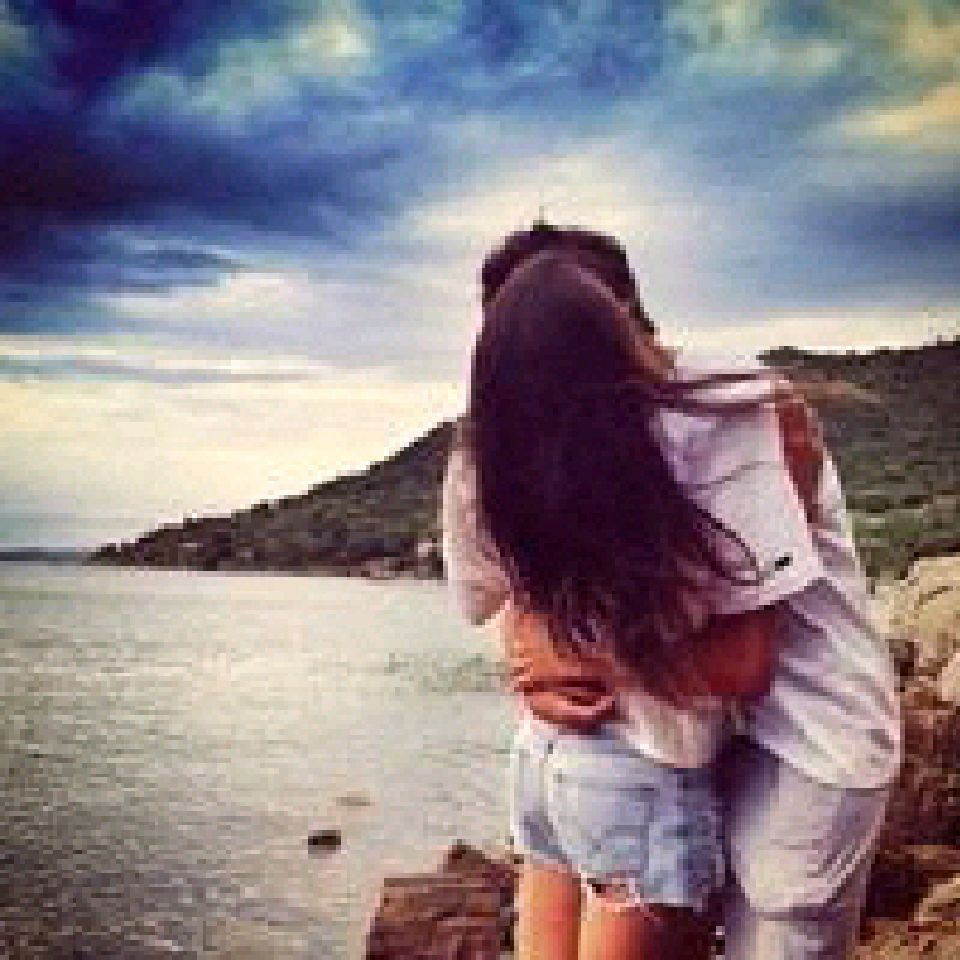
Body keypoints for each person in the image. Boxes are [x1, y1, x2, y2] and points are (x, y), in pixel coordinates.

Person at [443, 224, 901, 959]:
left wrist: (567, 656)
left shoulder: (727, 412)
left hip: (802, 736)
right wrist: (534, 657)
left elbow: (742, 662)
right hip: (678, 736)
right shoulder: (548, 438)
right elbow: (523, 593)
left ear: (619, 317)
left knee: (780, 936)